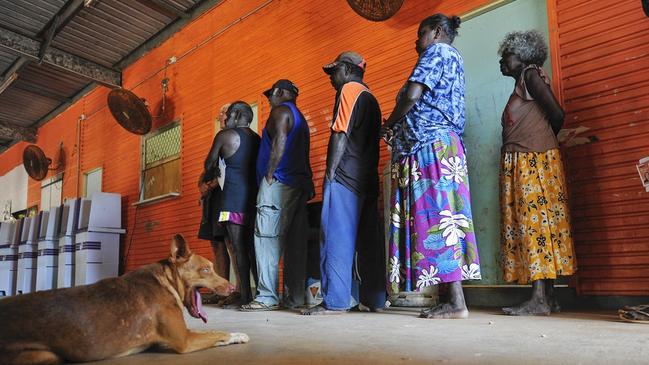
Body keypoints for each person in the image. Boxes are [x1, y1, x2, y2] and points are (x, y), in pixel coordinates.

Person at [380, 14, 481, 319]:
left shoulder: (437, 52)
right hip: (437, 147)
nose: (416, 40)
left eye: (420, 33)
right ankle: (452, 300)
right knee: (441, 219)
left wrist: (387, 125)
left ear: (437, 32)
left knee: (438, 220)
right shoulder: (451, 58)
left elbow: (413, 95)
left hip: (430, 149)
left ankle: (456, 303)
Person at [497, 30, 576, 316]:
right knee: (536, 225)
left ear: (522, 54)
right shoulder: (523, 80)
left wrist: (541, 143)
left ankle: (540, 298)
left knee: (536, 226)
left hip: (534, 161)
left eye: (505, 55)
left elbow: (557, 114)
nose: (501, 61)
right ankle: (549, 298)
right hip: (527, 159)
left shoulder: (530, 74)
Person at [301, 52, 386, 315]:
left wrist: (329, 173)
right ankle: (375, 300)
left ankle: (335, 302)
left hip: (346, 177)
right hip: (368, 179)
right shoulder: (371, 97)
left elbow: (341, 133)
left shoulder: (349, 90)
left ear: (348, 70)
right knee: (368, 242)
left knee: (336, 239)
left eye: (333, 71)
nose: (331, 79)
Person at [240, 79, 314, 311]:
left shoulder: (281, 111)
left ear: (281, 92)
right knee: (294, 243)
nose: (269, 99)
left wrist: (270, 173)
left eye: (270, 94)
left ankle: (266, 297)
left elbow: (280, 139)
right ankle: (294, 298)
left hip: (279, 183)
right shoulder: (299, 117)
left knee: (266, 239)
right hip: (297, 184)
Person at [199, 101, 260, 306]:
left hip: (231, 202)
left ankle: (245, 295)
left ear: (236, 114)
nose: (225, 120)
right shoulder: (257, 139)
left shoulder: (225, 136)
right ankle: (257, 293)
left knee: (236, 247)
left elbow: (208, 165)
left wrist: (213, 171)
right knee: (251, 248)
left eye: (227, 116)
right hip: (253, 201)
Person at [198, 103, 232, 304]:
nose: (220, 116)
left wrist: (210, 185)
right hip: (212, 201)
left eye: (223, 113)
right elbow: (207, 169)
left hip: (226, 198)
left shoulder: (234, 138)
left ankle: (232, 291)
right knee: (216, 244)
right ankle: (220, 289)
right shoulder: (219, 139)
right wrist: (202, 186)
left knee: (230, 244)